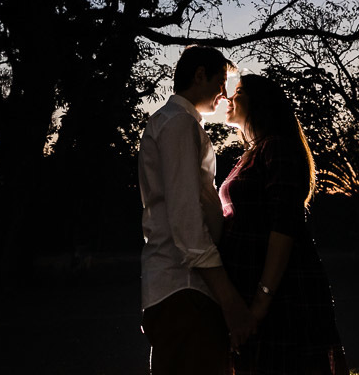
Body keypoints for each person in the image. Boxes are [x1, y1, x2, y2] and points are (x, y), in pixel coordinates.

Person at [139, 46, 256, 375]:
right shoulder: (178, 125)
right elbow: (187, 224)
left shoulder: (179, 124)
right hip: (185, 288)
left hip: (185, 290)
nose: (223, 94)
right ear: (199, 75)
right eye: (220, 82)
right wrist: (229, 298)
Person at [220, 73, 348, 375]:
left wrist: (262, 300)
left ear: (257, 102)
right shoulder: (250, 154)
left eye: (237, 92)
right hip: (254, 291)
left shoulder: (276, 147)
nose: (228, 98)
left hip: (284, 295)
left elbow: (284, 226)